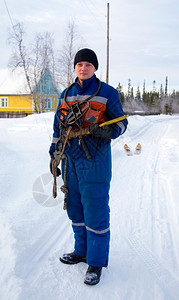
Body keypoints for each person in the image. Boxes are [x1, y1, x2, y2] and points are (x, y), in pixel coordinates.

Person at [49, 48, 128, 285]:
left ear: (95, 68)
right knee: (75, 207)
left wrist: (108, 131)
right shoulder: (66, 94)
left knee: (95, 208)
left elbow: (122, 124)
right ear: (75, 68)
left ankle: (95, 261)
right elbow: (57, 130)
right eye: (79, 64)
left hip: (95, 159)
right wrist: (54, 155)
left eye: (88, 65)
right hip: (70, 159)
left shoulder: (107, 93)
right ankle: (81, 251)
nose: (83, 68)